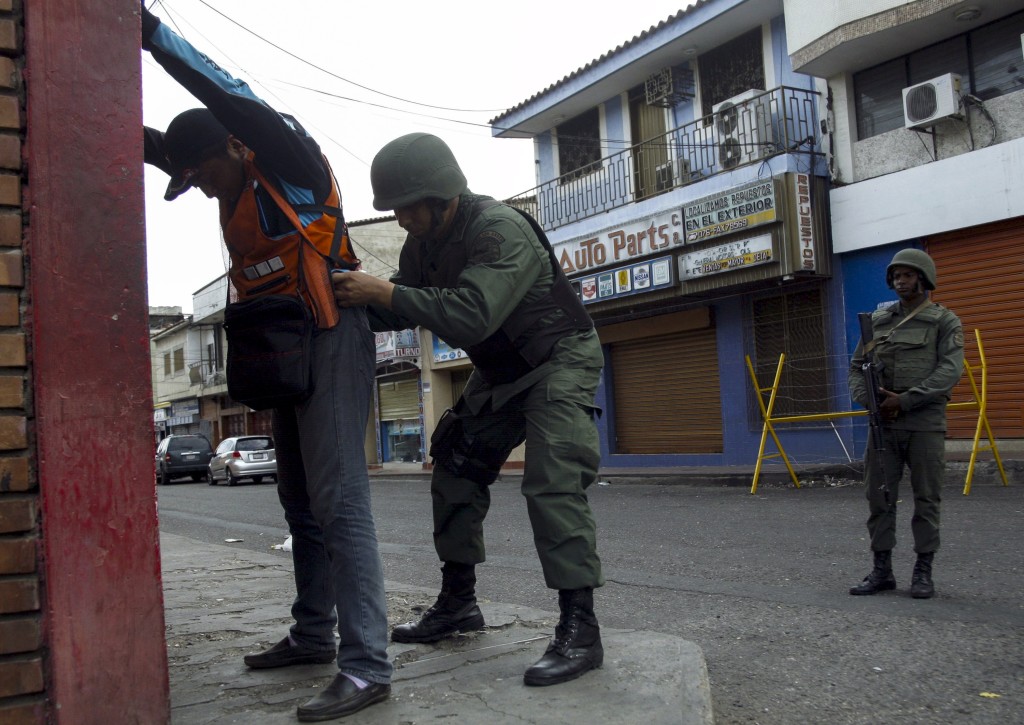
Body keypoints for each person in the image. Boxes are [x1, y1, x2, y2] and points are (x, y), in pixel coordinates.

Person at [140, 6, 392, 720]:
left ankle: (368, 664)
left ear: (234, 146)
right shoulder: (220, 172)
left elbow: (225, 94)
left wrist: (149, 32)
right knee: (299, 501)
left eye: (204, 174)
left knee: (341, 499)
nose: (202, 188)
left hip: (335, 334)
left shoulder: (286, 159)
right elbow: (159, 145)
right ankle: (315, 634)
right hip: (279, 351)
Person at [333, 133, 605, 687]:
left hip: (557, 358)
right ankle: (458, 603)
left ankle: (581, 628)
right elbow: (404, 304)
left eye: (410, 206)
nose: (403, 218)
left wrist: (382, 293)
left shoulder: (498, 229)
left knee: (552, 481)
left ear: (443, 193)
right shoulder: (423, 245)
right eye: (395, 210)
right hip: (501, 369)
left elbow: (473, 315)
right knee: (455, 462)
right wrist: (342, 297)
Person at [848, 248, 964, 600]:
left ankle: (923, 572)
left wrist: (907, 400)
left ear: (923, 279)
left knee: (926, 498)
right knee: (879, 498)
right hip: (884, 425)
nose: (901, 281)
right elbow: (857, 368)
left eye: (908, 275)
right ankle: (882, 571)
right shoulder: (877, 322)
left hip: (924, 423)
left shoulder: (944, 321)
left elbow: (949, 371)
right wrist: (873, 401)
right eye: (896, 275)